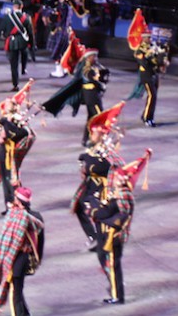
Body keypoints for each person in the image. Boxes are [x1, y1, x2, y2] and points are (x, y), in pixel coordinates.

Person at [90, 150, 152, 305]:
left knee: (113, 264)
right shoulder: (119, 192)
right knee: (104, 259)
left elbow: (123, 216)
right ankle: (114, 287)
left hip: (115, 235)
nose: (114, 178)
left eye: (117, 177)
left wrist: (104, 217)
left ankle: (117, 295)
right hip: (110, 233)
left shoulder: (124, 194)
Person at [71, 104, 125, 250]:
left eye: (94, 132)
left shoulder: (107, 150)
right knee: (79, 208)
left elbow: (120, 165)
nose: (91, 134)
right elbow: (88, 159)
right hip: (89, 184)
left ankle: (104, 239)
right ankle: (93, 236)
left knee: (97, 213)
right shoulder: (92, 147)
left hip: (102, 186)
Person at [0, 186, 45, 316]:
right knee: (18, 291)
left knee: (15, 295)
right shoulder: (36, 217)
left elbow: (5, 241)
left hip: (16, 259)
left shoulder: (17, 216)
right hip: (25, 259)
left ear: (18, 201)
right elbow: (41, 241)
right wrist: (38, 259)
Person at [0, 85, 35, 214]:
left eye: (8, 104)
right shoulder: (2, 121)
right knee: (6, 184)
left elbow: (22, 133)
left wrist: (8, 126)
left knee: (14, 181)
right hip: (3, 154)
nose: (6, 106)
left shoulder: (17, 120)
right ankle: (8, 205)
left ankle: (21, 202)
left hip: (12, 155)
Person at [129, 35, 168, 128]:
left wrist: (161, 56)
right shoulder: (139, 50)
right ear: (143, 38)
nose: (150, 39)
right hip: (146, 75)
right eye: (148, 38)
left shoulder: (153, 47)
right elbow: (144, 63)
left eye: (150, 37)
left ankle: (148, 115)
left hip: (154, 74)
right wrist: (151, 54)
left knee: (153, 97)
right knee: (152, 95)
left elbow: (159, 61)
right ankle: (147, 118)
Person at [0, 0, 35, 91]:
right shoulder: (27, 17)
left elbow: (3, 30)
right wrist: (32, 45)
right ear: (21, 7)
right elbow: (30, 33)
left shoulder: (8, 17)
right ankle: (24, 69)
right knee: (24, 53)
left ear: (14, 7)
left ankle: (15, 84)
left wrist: (6, 36)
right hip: (23, 41)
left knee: (14, 65)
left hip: (12, 42)